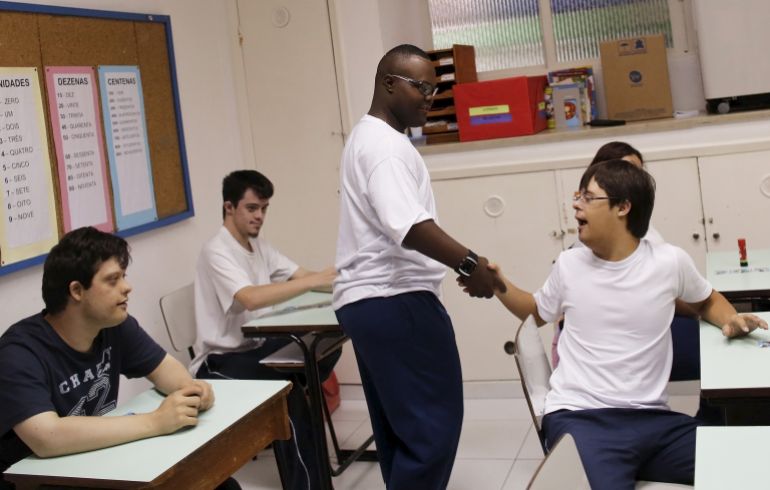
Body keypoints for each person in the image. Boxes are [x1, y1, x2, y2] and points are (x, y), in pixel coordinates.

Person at [485, 159, 767, 489]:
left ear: (623, 207)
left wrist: (729, 319)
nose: (576, 204)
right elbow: (536, 310)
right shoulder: (569, 264)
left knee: (750, 462)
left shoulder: (668, 262)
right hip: (583, 418)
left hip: (653, 421)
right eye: (578, 196)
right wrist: (497, 284)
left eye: (588, 197)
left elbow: (706, 299)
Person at [333, 44, 505, 490]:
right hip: (396, 301)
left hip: (373, 304)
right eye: (421, 86)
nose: (429, 97)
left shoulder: (367, 137)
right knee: (432, 432)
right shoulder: (385, 147)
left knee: (402, 436)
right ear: (389, 83)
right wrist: (471, 264)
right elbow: (407, 225)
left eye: (434, 88)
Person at [0, 227, 220, 490]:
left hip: (96, 464)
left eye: (123, 277)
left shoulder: (114, 324)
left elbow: (169, 372)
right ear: (77, 291)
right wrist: (155, 421)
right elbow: (47, 437)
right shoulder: (19, 352)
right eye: (113, 280)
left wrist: (193, 391)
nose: (127, 287)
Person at [190, 169, 338, 490]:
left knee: (327, 342)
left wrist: (346, 284)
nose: (260, 216)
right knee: (290, 393)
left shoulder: (259, 246)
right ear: (229, 207)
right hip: (219, 362)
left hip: (256, 349)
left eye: (265, 208)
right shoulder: (216, 250)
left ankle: (300, 381)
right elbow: (250, 299)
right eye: (252, 208)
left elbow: (305, 275)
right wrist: (314, 281)